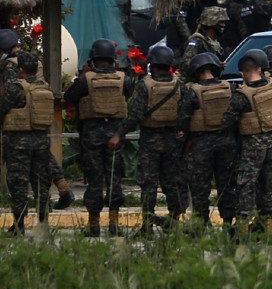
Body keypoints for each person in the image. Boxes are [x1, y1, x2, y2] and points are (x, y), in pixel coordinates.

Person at [64, 39, 137, 237]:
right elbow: (130, 95)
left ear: (93, 59)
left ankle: (94, 226)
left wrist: (83, 73)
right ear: (113, 61)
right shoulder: (124, 79)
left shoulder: (86, 80)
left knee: (95, 178)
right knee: (114, 178)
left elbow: (69, 97)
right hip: (115, 135)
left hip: (91, 136)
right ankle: (114, 224)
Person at [118, 45, 190, 234]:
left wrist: (120, 133)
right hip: (172, 140)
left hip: (150, 140)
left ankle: (147, 226)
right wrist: (182, 130)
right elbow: (187, 110)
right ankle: (174, 221)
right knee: (171, 183)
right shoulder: (179, 85)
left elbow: (135, 114)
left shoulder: (145, 85)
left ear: (153, 64)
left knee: (148, 185)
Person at [224, 49, 272, 233]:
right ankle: (269, 228)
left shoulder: (242, 95)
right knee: (271, 187)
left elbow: (227, 121)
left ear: (242, 74)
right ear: (260, 69)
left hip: (253, 148)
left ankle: (242, 229)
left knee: (246, 185)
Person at [0, 52, 55, 234]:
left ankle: (19, 225)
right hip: (41, 141)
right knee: (41, 182)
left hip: (19, 142)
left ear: (20, 69)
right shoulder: (44, 88)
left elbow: (2, 108)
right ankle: (43, 224)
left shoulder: (17, 88)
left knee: (19, 182)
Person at [183, 51, 238, 230]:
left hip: (202, 144)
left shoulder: (193, 92)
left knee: (200, 186)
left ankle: (200, 225)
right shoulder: (229, 88)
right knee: (227, 184)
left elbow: (183, 118)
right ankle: (229, 223)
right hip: (227, 143)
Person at [183, 6, 230, 77]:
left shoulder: (215, 42)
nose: (223, 25)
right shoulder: (197, 41)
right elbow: (185, 65)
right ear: (211, 23)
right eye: (221, 22)